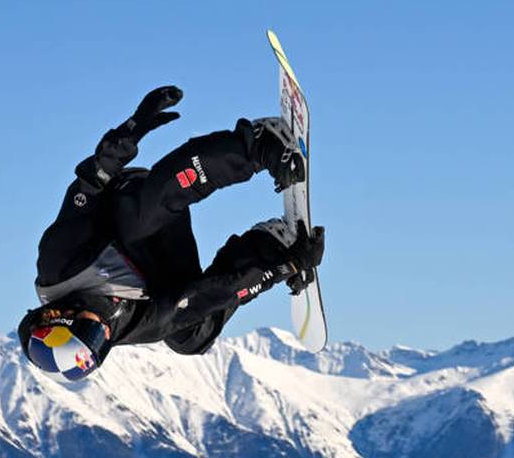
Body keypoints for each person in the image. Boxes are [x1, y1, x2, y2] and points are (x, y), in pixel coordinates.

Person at [19, 86, 325, 381]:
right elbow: (204, 297)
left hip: (127, 207)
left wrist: (129, 132)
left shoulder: (58, 265)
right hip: (157, 265)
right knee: (189, 335)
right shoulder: (126, 327)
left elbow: (89, 186)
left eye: (92, 333)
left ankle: (255, 145)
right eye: (100, 345)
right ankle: (269, 244)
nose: (105, 333)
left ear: (60, 314)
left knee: (143, 219)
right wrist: (281, 265)